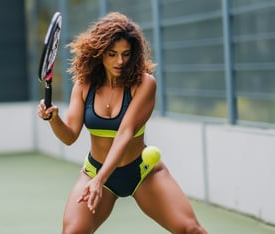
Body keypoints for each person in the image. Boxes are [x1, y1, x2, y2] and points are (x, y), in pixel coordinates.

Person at [38, 12, 207, 234]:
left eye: (126, 54)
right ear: (99, 53)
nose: (120, 61)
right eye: (112, 54)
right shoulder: (83, 85)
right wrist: (54, 118)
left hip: (141, 171)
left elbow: (125, 133)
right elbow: (69, 136)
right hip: (94, 170)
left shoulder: (144, 84)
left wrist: (100, 180)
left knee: (190, 229)